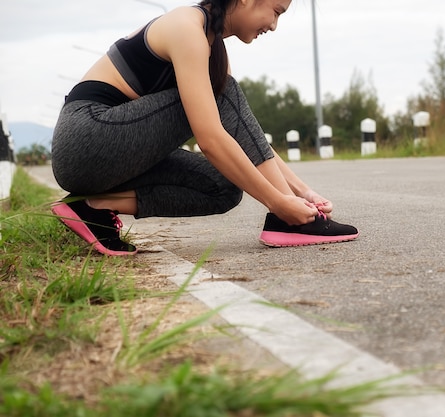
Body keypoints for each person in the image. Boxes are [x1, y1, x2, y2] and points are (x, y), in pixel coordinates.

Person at [50, 0, 359, 256]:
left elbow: (246, 136)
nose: (274, 25)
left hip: (108, 154)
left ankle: (90, 208)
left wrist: (303, 193)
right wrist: (278, 202)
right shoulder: (187, 27)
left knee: (223, 187)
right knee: (222, 92)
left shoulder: (212, 50)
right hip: (87, 137)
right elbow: (210, 138)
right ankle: (286, 221)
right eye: (277, 11)